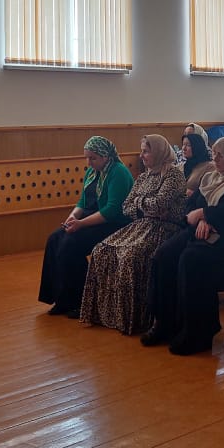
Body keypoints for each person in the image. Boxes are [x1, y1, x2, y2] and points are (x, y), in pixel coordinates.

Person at [143, 137, 224, 355]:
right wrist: (201, 217)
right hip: (200, 231)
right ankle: (164, 322)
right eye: (214, 153)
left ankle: (198, 333)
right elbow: (190, 205)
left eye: (221, 155)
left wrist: (207, 215)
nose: (215, 159)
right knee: (163, 255)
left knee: (191, 260)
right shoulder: (211, 177)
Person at [79, 135, 187, 335]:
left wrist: (142, 203)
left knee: (130, 255)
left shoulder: (173, 175)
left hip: (165, 229)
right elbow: (126, 207)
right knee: (101, 250)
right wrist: (145, 205)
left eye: (146, 151)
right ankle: (107, 314)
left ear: (159, 152)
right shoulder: (144, 177)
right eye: (142, 151)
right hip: (140, 225)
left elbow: (160, 204)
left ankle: (133, 318)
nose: (141, 155)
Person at [38, 136, 135, 319]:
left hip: (113, 223)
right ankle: (61, 298)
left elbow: (111, 210)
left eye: (93, 158)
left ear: (105, 156)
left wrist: (81, 224)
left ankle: (81, 301)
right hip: (92, 217)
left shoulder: (118, 172)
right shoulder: (92, 172)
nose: (89, 162)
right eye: (87, 158)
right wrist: (73, 217)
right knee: (54, 239)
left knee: (70, 245)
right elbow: (83, 201)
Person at [179, 131, 215, 197]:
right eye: (183, 144)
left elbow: (209, 191)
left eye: (188, 145)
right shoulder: (182, 166)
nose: (184, 148)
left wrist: (193, 193)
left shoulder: (210, 167)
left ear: (197, 147)